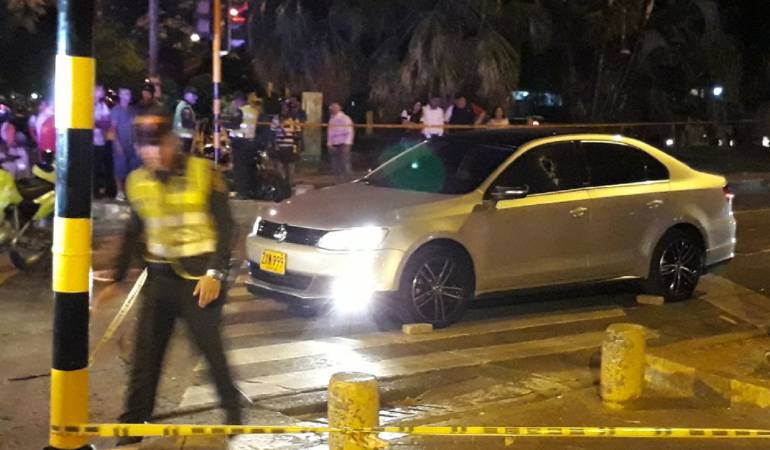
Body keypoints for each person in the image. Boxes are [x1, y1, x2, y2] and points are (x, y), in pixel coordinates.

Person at [95, 114, 241, 447]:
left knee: (209, 349)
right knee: (145, 356)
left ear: (173, 142)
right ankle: (132, 426)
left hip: (199, 280)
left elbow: (225, 227)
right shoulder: (137, 181)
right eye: (148, 147)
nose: (156, 153)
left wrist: (215, 273)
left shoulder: (203, 172)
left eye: (161, 144)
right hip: (159, 279)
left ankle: (234, 417)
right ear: (139, 149)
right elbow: (134, 231)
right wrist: (117, 280)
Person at [228, 91, 260, 199]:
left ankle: (241, 192)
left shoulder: (240, 111)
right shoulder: (253, 111)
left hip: (240, 143)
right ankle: (250, 191)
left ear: (239, 100)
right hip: (251, 142)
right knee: (249, 168)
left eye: (234, 101)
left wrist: (221, 123)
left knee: (240, 169)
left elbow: (234, 124)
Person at [111, 87, 141, 201]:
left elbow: (135, 128)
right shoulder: (116, 110)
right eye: (124, 94)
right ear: (120, 95)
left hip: (132, 144)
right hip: (120, 143)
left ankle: (129, 192)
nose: (126, 96)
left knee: (132, 170)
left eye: (128, 94)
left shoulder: (133, 111)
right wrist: (116, 144)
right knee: (120, 169)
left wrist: (136, 143)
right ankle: (120, 192)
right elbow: (113, 128)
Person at [270, 101, 301, 186]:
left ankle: (289, 183)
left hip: (290, 146)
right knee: (279, 166)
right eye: (283, 107)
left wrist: (297, 144)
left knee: (290, 166)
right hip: (279, 146)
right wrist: (274, 144)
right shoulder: (276, 118)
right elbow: (272, 131)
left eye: (286, 107)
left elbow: (298, 132)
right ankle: (282, 183)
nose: (284, 109)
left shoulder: (294, 119)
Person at [94, 85, 116, 198]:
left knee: (98, 168)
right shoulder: (87, 105)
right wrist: (99, 122)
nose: (102, 92)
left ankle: (97, 191)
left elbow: (107, 124)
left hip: (100, 142)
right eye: (100, 90)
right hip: (89, 143)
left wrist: (95, 122)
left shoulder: (102, 106)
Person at [326, 102, 355, 183]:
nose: (332, 109)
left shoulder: (345, 118)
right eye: (332, 108)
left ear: (339, 108)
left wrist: (347, 144)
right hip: (334, 144)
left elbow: (349, 131)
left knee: (344, 163)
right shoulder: (332, 119)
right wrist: (329, 144)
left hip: (343, 144)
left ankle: (349, 181)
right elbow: (330, 132)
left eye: (334, 108)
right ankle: (339, 181)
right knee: (335, 164)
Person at [173, 87, 198, 153]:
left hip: (180, 138)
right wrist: (196, 124)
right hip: (184, 139)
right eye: (193, 95)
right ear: (187, 95)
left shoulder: (182, 105)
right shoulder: (185, 107)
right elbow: (187, 123)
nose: (196, 98)